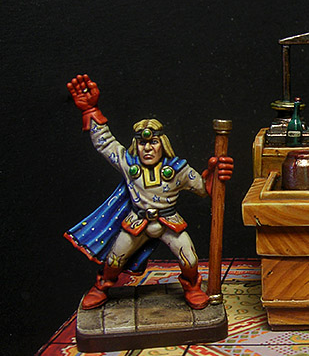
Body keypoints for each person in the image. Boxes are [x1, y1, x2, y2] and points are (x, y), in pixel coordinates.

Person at [65, 74, 234, 310]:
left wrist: (216, 174)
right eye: (143, 143)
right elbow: (105, 143)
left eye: (153, 142)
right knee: (114, 260)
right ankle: (102, 286)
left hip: (169, 222)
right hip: (137, 222)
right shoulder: (128, 164)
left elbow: (204, 189)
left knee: (190, 259)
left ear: (162, 144)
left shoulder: (178, 169)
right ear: (136, 145)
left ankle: (192, 287)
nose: (147, 148)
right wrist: (91, 110)